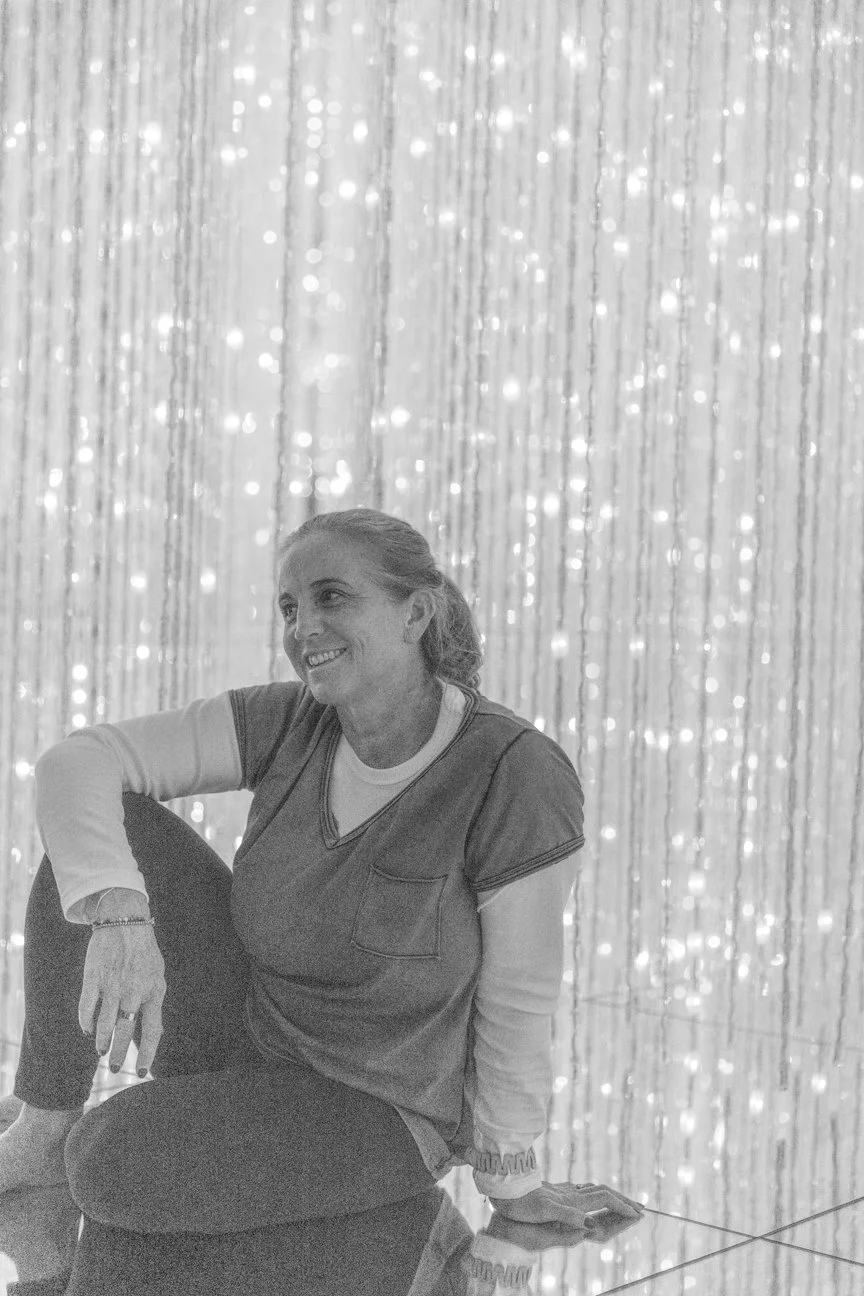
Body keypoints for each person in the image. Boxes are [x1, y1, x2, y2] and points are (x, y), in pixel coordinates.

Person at [0, 507, 642, 1285]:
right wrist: (120, 917)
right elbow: (77, 763)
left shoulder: (515, 772)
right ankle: (41, 1134)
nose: (304, 628)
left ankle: (134, 1146)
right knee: (108, 839)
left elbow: (520, 993)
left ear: (416, 612)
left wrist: (512, 1180)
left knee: (110, 1161)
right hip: (253, 1033)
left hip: (380, 1108)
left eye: (332, 597)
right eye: (289, 607)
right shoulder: (287, 720)